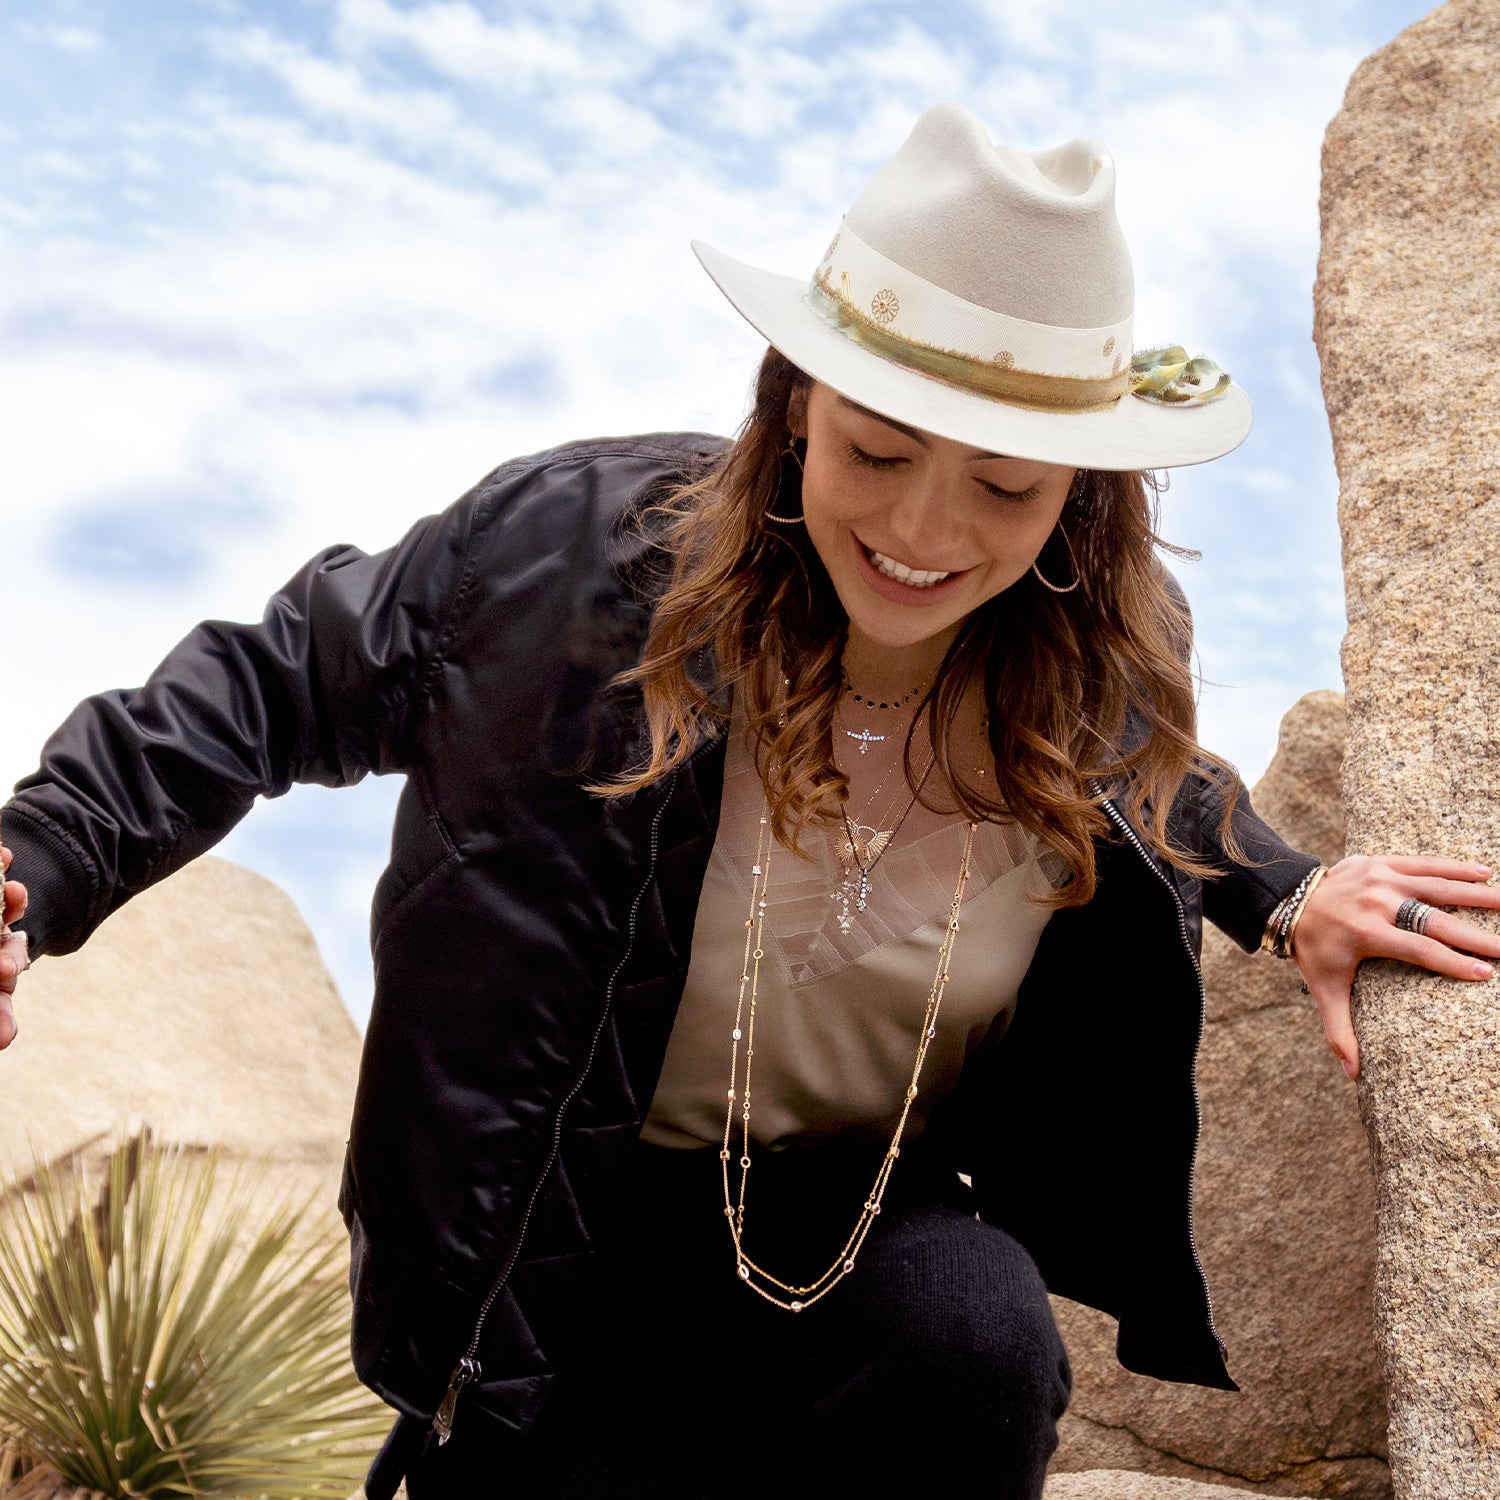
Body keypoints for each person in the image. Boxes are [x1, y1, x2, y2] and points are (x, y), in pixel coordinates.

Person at [1, 103, 1496, 1500]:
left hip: (859, 1226)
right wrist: (37, 859)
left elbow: (1142, 776)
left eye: (1004, 486)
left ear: (1080, 505)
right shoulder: (573, 557)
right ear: (795, 409)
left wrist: (1288, 890)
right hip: (559, 1242)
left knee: (976, 1340)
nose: (923, 531)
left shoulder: (1097, 641)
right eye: (879, 449)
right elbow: (272, 685)